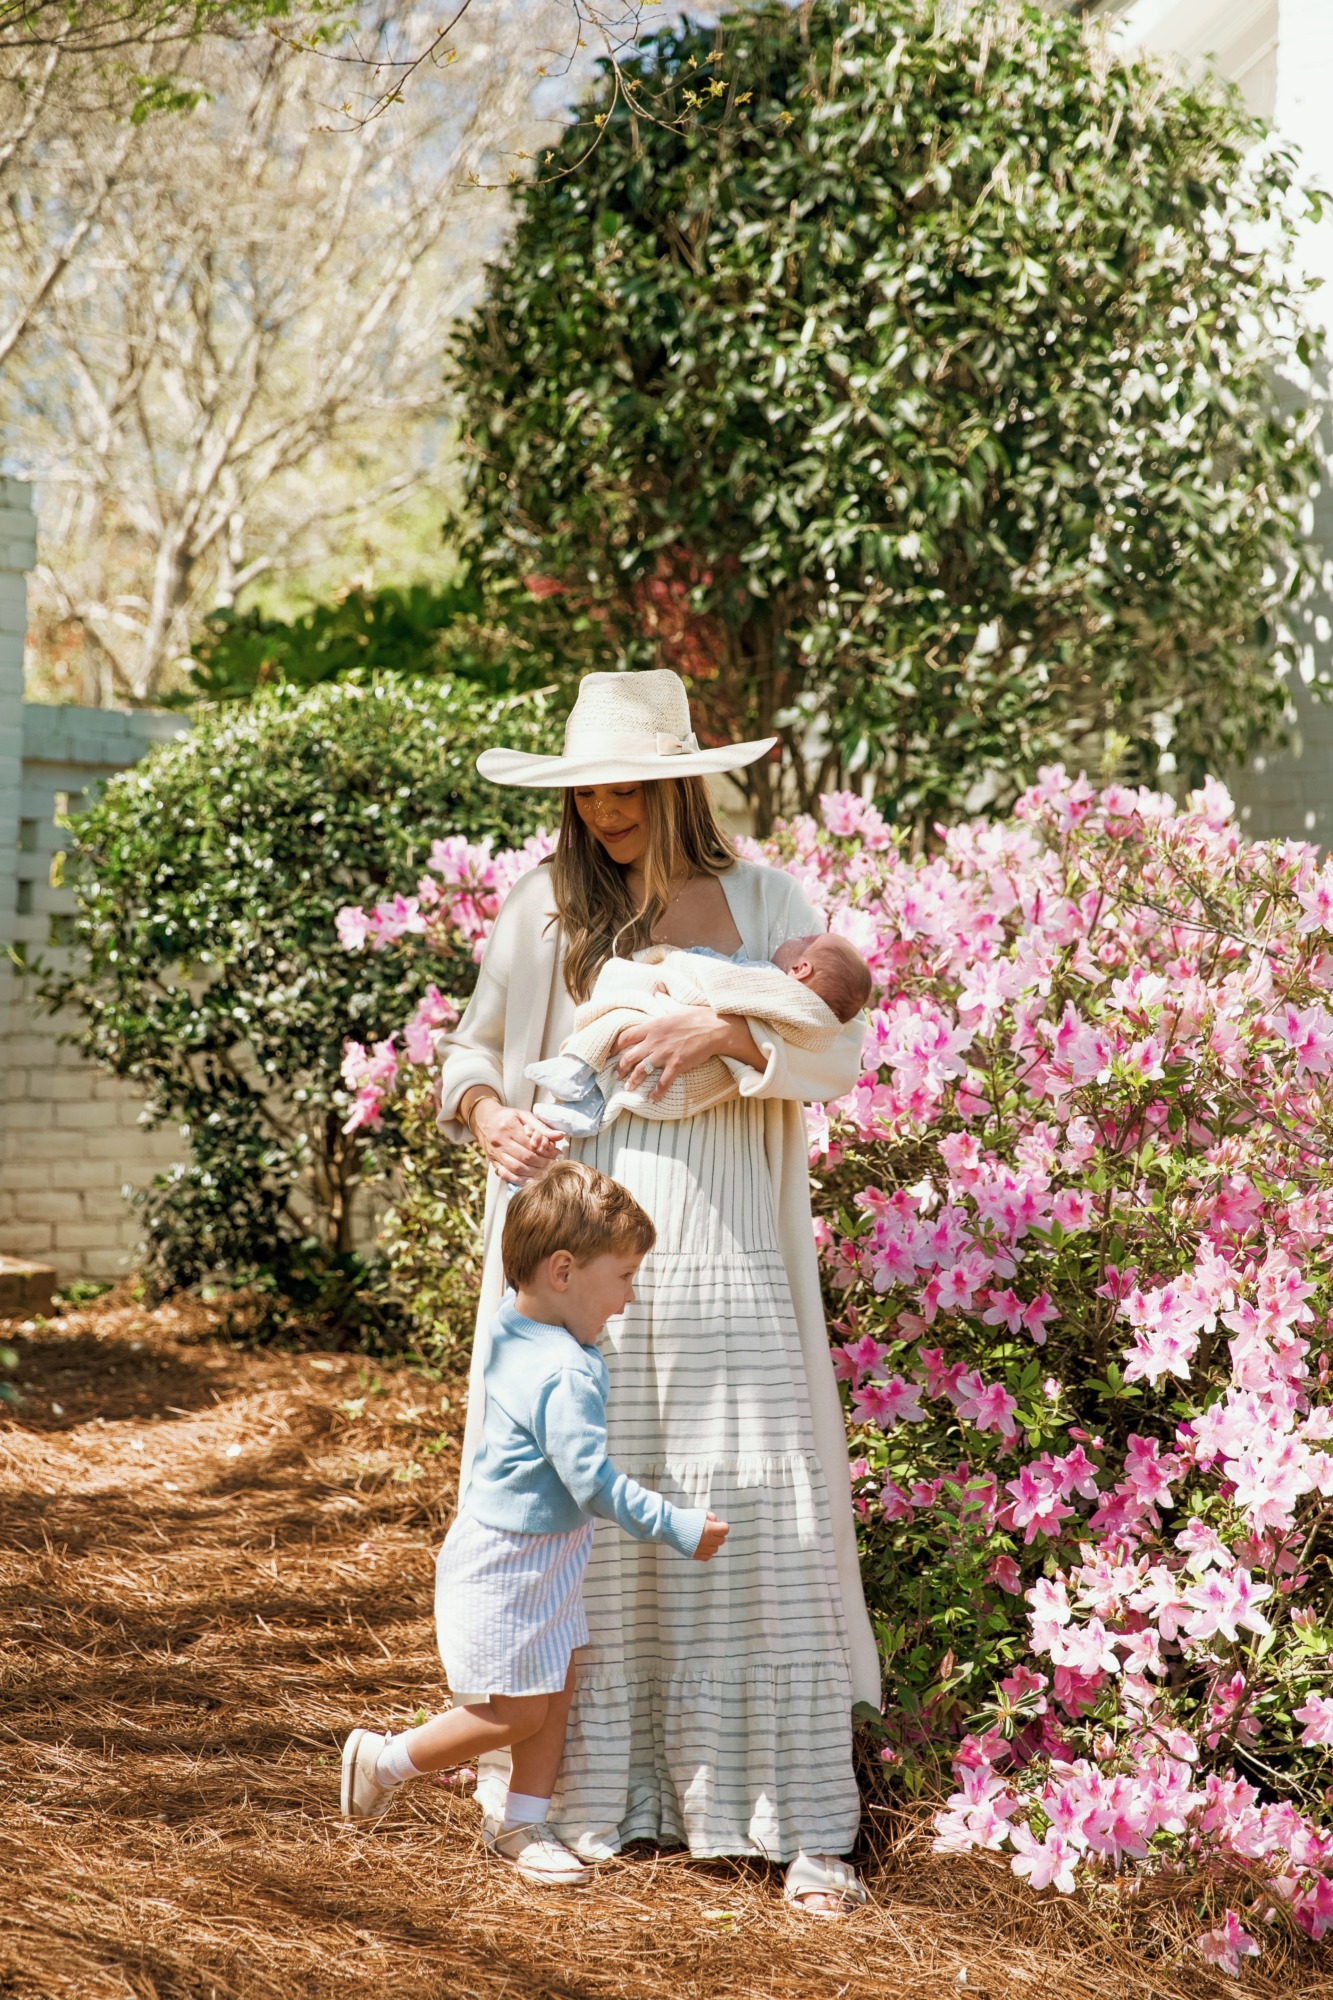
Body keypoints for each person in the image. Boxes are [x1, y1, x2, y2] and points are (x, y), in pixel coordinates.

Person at [436, 668, 880, 1916]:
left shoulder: (766, 894)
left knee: (755, 1494)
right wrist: (490, 1121)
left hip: (727, 1242)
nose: (607, 811)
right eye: (587, 792)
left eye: (627, 786)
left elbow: (836, 1038)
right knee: (583, 1508)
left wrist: (727, 1040)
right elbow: (472, 1055)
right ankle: (578, 1799)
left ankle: (798, 1818)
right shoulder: (543, 906)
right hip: (582, 1247)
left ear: (677, 779)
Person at [340, 1160, 729, 1887]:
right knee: (516, 1711)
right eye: (620, 1277)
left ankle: (521, 1822)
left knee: (556, 1685)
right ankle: (384, 1761)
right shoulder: (564, 1371)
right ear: (562, 1271)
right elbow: (593, 1483)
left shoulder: (515, 1327)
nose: (628, 1297)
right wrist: (678, 1526)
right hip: (510, 1562)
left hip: (536, 1554)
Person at [526, 930, 873, 1137]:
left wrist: (719, 1031)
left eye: (805, 938)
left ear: (801, 968)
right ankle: (581, 1093)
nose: (798, 936)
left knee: (621, 1021)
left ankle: (576, 1069)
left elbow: (834, 1045)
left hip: (702, 1100)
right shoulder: (784, 989)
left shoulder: (779, 982)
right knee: (625, 1033)